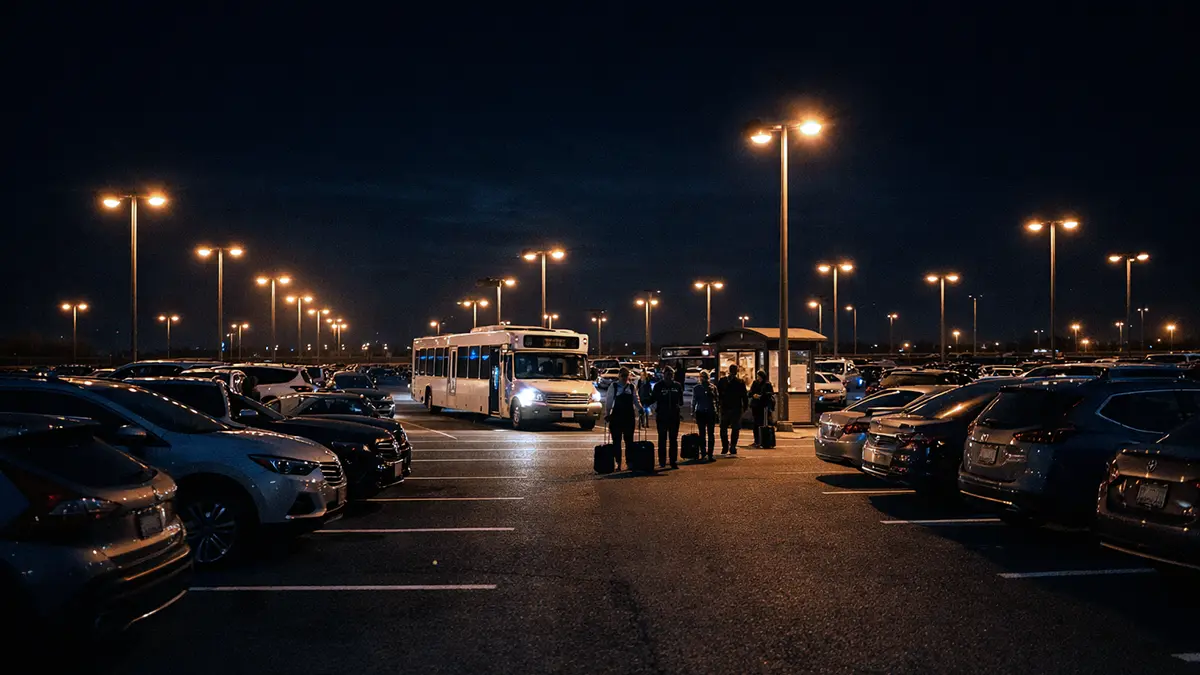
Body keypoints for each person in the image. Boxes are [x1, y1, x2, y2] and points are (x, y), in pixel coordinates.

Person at [604, 367, 642, 471]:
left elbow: (636, 399)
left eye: (626, 375)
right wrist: (607, 413)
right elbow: (609, 400)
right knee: (616, 441)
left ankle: (629, 462)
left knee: (629, 441)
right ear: (619, 376)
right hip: (616, 417)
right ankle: (618, 462)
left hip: (628, 417)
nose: (625, 378)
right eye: (623, 375)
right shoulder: (614, 386)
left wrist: (640, 409)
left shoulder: (631, 387)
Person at [648, 365, 685, 468]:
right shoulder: (658, 386)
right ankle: (662, 461)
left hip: (674, 415)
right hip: (662, 415)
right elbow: (653, 398)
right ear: (663, 375)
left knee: (673, 439)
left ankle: (673, 461)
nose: (669, 376)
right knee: (662, 439)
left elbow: (680, 401)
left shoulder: (677, 386)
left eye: (671, 374)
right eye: (667, 374)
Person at [718, 364, 749, 454]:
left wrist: (719, 404)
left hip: (725, 407)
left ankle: (725, 446)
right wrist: (745, 407)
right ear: (736, 371)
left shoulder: (722, 381)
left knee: (723, 428)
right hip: (736, 408)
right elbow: (744, 396)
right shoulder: (740, 382)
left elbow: (718, 395)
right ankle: (732, 446)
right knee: (735, 428)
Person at [692, 370, 719, 461]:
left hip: (704, 411)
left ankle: (706, 453)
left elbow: (716, 399)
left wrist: (693, 412)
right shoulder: (706, 387)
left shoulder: (710, 387)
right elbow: (694, 401)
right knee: (706, 434)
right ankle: (706, 453)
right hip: (706, 411)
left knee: (706, 433)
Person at [749, 370, 775, 448]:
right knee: (756, 423)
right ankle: (756, 440)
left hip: (764, 406)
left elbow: (770, 394)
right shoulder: (755, 383)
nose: (758, 378)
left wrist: (761, 396)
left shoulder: (767, 384)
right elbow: (750, 393)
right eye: (757, 376)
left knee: (763, 423)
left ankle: (763, 440)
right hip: (756, 406)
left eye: (759, 376)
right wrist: (754, 395)